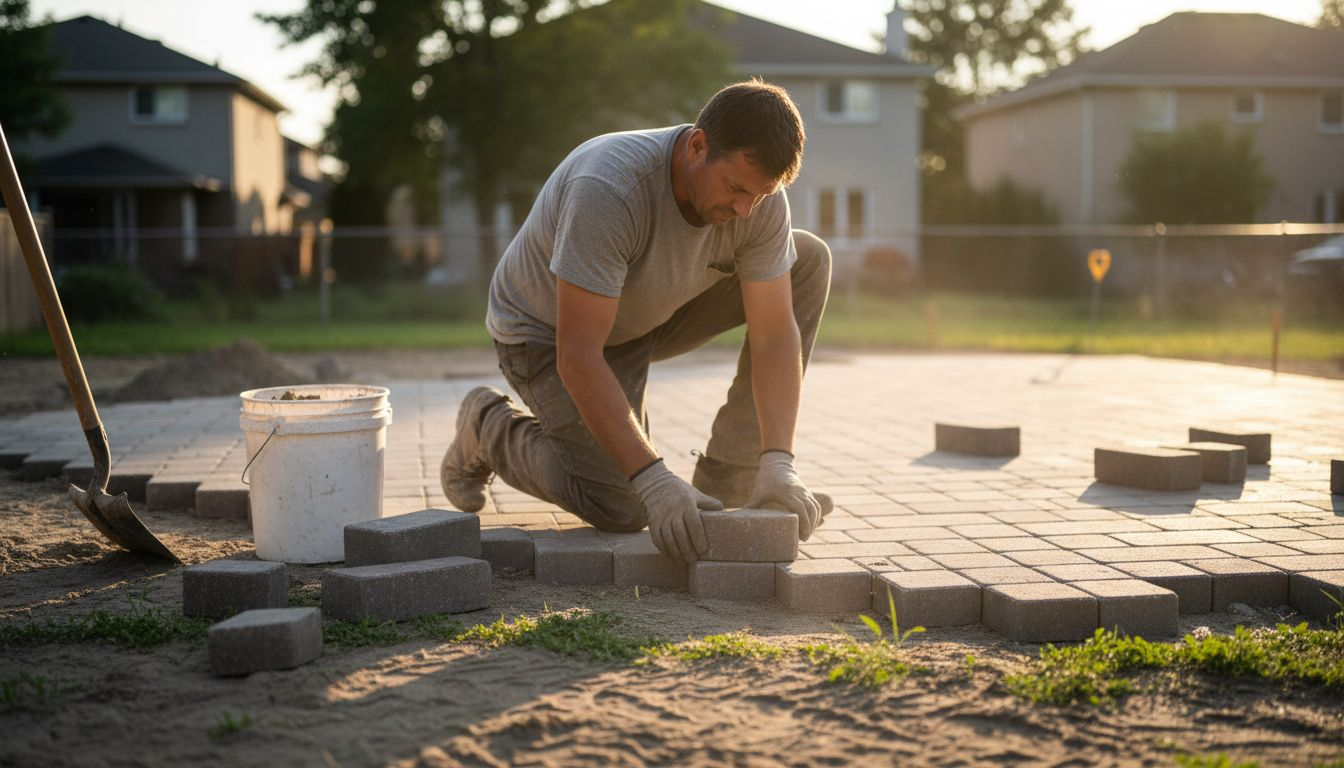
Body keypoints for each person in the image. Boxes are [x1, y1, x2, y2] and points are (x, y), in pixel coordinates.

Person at [441, 79, 831, 565]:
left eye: (761, 194)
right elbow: (578, 355)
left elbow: (775, 334)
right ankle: (485, 426)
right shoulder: (609, 188)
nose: (744, 210)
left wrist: (779, 461)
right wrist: (653, 479)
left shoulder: (758, 200)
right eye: (735, 189)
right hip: (545, 333)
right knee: (623, 503)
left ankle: (735, 474)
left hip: (646, 315)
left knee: (806, 259)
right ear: (697, 145)